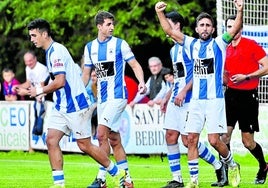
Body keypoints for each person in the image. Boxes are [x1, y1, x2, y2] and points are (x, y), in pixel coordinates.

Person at [155, 1, 244, 187]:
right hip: (196, 101)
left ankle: (232, 163)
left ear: (212, 29)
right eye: (201, 25)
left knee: (213, 141)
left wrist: (239, 10)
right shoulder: (191, 44)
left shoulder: (219, 43)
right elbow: (170, 32)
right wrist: (159, 13)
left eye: (208, 25)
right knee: (191, 139)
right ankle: (193, 181)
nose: (204, 28)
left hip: (214, 100)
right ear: (196, 29)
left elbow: (235, 29)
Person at [27, 18, 124, 188]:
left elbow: (60, 82)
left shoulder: (56, 51)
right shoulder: (49, 51)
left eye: (34, 35)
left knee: (84, 145)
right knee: (51, 140)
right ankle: (59, 184)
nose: (32, 39)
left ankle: (118, 173)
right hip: (61, 106)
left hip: (76, 105)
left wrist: (39, 91)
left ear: (44, 34)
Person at [82, 11, 146, 188]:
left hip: (118, 96)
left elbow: (134, 64)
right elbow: (86, 74)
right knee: (114, 140)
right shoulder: (90, 48)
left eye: (112, 24)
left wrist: (141, 81)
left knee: (101, 134)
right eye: (108, 24)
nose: (112, 27)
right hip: (102, 99)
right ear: (99, 26)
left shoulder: (120, 44)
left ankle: (102, 178)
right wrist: (80, 93)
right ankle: (127, 179)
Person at [222, 15, 268, 185]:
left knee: (247, 142)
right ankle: (230, 172)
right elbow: (225, 76)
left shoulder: (251, 44)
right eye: (228, 26)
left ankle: (263, 166)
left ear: (240, 28)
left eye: (235, 26)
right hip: (230, 95)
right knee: (223, 138)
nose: (232, 29)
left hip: (248, 96)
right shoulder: (224, 48)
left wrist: (247, 77)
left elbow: (267, 66)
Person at [16, 51, 49, 136]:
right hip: (36, 97)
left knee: (42, 124)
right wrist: (18, 86)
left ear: (35, 59)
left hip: (45, 98)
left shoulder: (41, 69)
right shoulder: (28, 68)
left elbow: (43, 88)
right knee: (35, 121)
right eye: (26, 61)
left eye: (30, 61)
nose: (28, 63)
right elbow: (28, 83)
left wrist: (25, 92)